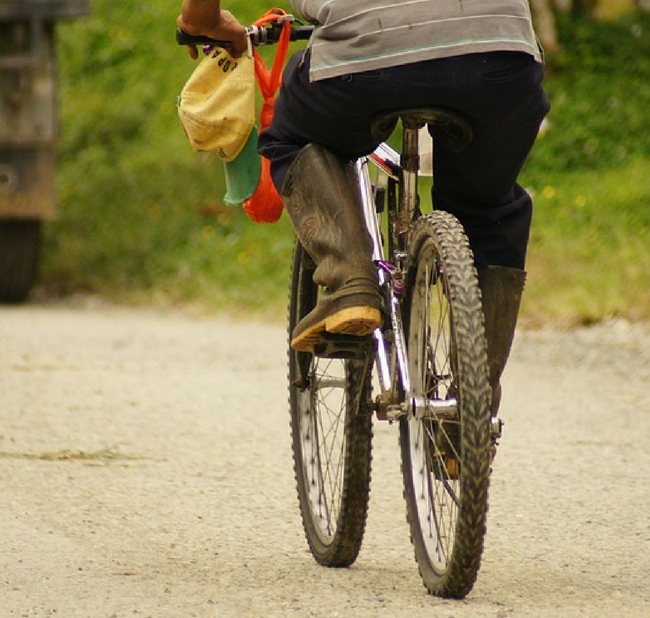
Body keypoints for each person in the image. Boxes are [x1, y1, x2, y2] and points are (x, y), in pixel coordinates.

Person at [178, 0, 549, 413]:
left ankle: (350, 280)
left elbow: (201, 19)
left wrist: (204, 21)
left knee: (290, 138)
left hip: (363, 61)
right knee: (487, 211)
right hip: (501, 56)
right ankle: (472, 407)